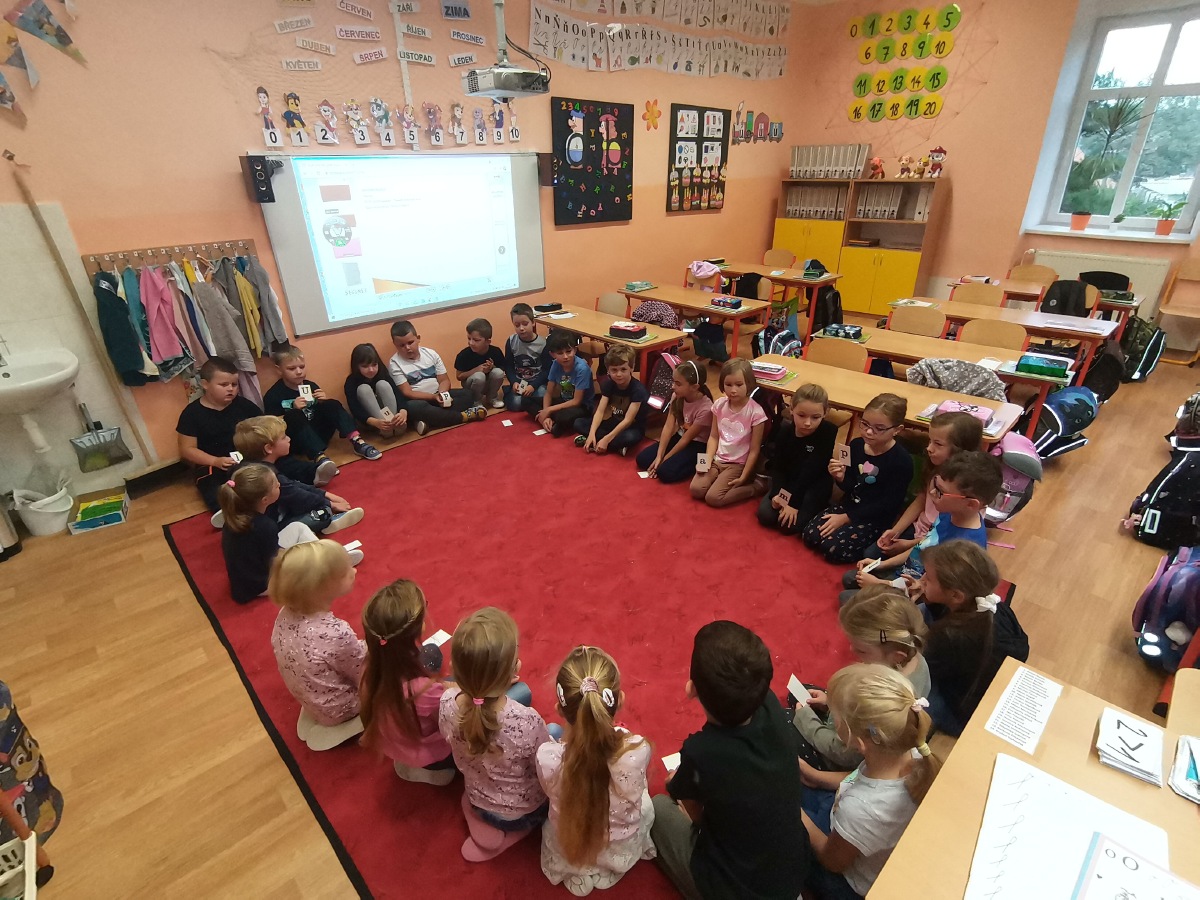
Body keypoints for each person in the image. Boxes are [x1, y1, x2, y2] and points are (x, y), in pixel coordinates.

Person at [651, 621, 811, 900]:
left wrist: (678, 785)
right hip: (792, 871)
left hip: (735, 888)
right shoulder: (770, 704)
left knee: (658, 808)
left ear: (691, 689)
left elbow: (689, 803)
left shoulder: (702, 752)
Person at [799, 664, 942, 899]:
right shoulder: (913, 755)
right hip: (851, 828)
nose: (832, 718)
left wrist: (796, 813)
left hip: (849, 882)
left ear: (858, 742)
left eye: (835, 717)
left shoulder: (860, 809)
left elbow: (831, 861)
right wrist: (817, 777)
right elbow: (861, 778)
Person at [536, 646, 655, 896]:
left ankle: (578, 871)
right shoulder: (636, 750)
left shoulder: (548, 757)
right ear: (620, 700)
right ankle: (610, 868)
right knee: (645, 803)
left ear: (559, 710)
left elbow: (549, 792)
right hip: (619, 844)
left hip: (571, 843)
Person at [438, 608, 551, 862]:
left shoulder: (446, 702)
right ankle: (513, 833)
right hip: (522, 812)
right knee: (555, 732)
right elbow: (544, 766)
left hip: (478, 795)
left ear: (454, 669)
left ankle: (478, 817)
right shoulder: (527, 720)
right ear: (512, 673)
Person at [793, 586, 930, 774]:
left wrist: (807, 721)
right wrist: (830, 703)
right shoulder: (917, 660)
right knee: (800, 695)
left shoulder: (872, 696)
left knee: (784, 719)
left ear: (896, 656)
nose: (851, 651)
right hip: (849, 724)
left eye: (861, 650)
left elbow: (845, 753)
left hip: (840, 756)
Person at [842, 450, 1002, 600]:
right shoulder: (950, 512)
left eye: (940, 492)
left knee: (846, 599)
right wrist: (881, 565)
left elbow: (931, 593)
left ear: (970, 504)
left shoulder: (965, 548)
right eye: (936, 485)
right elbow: (923, 546)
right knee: (850, 578)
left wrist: (881, 584)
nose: (932, 493)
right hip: (907, 575)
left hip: (920, 593)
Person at [918, 540, 1029, 735]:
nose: (922, 579)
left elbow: (924, 669)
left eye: (929, 577)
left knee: (913, 699)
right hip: (985, 687)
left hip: (964, 714)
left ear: (956, 596)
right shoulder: (996, 607)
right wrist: (929, 597)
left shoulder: (947, 636)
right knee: (922, 610)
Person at [269, 540, 367, 751]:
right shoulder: (335, 632)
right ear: (322, 588)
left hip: (310, 698)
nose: (354, 571)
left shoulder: (284, 614)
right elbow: (363, 673)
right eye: (345, 573)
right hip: (340, 707)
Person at [219, 464, 363, 604]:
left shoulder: (236, 515)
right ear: (265, 500)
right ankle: (328, 566)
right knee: (301, 564)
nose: (279, 485)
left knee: (297, 527)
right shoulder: (264, 526)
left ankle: (325, 557)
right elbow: (276, 563)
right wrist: (301, 558)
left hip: (248, 579)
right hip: (262, 584)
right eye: (275, 485)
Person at [359, 580, 456, 785]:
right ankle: (432, 771)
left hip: (396, 740)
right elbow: (452, 718)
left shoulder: (371, 667)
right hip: (429, 754)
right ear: (417, 627)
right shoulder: (423, 692)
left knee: (431, 652)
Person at [802, 393, 913, 563]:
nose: (868, 431)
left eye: (879, 428)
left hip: (875, 517)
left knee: (832, 549)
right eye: (865, 424)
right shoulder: (856, 445)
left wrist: (847, 518)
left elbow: (889, 504)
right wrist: (840, 477)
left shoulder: (901, 461)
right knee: (810, 535)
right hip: (850, 505)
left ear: (897, 430)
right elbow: (851, 486)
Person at [867, 411, 983, 564]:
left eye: (938, 444)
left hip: (935, 543)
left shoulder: (964, 490)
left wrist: (908, 545)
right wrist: (896, 531)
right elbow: (922, 499)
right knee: (871, 553)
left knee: (892, 567)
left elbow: (940, 537)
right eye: (930, 441)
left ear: (961, 449)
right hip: (920, 531)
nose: (929, 448)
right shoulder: (935, 467)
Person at [232, 416, 364, 537]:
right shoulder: (268, 477)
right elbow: (299, 496)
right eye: (283, 437)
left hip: (259, 516)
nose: (289, 439)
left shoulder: (246, 467)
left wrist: (325, 494)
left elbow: (293, 485)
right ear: (268, 448)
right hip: (272, 527)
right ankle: (327, 522)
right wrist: (329, 504)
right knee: (323, 511)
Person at [264, 345, 382, 462]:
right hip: (297, 440)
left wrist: (323, 401)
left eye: (302, 367)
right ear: (279, 370)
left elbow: (325, 410)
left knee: (331, 404)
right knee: (294, 415)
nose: (299, 372)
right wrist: (292, 408)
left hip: (320, 434)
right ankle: (319, 457)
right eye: (291, 369)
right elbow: (272, 428)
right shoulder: (273, 395)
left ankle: (357, 441)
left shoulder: (311, 386)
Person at [176, 356, 262, 512]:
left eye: (234, 384)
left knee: (267, 473)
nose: (230, 389)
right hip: (211, 464)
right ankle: (224, 513)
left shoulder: (244, 405)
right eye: (223, 385)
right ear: (205, 384)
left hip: (245, 458)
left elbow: (264, 426)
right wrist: (215, 461)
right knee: (213, 488)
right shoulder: (191, 414)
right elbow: (187, 449)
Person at [757, 383, 837, 534]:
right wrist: (777, 494)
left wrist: (793, 503)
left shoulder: (828, 431)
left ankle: (819, 505)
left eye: (815, 417)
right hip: (790, 480)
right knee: (766, 515)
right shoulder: (784, 431)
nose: (807, 423)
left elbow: (811, 471)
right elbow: (778, 467)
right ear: (791, 409)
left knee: (787, 526)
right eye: (801, 415)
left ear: (825, 412)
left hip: (813, 484)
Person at [689, 358, 769, 508]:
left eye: (739, 385)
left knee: (713, 498)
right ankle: (719, 478)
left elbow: (754, 450)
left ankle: (756, 487)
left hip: (737, 464)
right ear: (722, 384)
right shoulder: (719, 405)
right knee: (696, 489)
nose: (733, 390)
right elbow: (713, 436)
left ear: (748, 384)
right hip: (717, 459)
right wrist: (705, 461)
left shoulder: (756, 413)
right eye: (728, 385)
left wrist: (744, 475)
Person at [388, 319, 487, 435]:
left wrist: (442, 394)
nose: (407, 348)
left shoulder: (431, 354)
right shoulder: (394, 363)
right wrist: (433, 397)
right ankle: (463, 416)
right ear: (395, 345)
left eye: (410, 342)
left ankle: (429, 419)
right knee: (414, 407)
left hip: (437, 395)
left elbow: (444, 380)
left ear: (418, 338)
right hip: (419, 400)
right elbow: (407, 392)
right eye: (402, 345)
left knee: (467, 395)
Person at [636, 359, 713, 483]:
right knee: (642, 459)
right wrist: (659, 456)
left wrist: (664, 460)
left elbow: (686, 439)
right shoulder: (677, 396)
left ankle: (698, 463)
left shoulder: (706, 408)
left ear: (695, 387)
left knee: (665, 472)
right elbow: (668, 426)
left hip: (697, 445)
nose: (672, 386)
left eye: (678, 384)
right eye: (673, 381)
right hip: (680, 436)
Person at [573, 345, 649, 456]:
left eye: (623, 369)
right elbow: (600, 411)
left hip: (630, 427)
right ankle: (607, 444)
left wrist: (607, 439)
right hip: (612, 422)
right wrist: (592, 433)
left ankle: (599, 442)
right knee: (578, 423)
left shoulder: (638, 390)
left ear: (631, 368)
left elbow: (628, 420)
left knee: (630, 437)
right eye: (614, 370)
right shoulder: (608, 384)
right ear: (608, 370)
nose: (619, 374)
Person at [536, 331, 595, 436]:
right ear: (552, 354)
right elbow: (548, 393)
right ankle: (548, 420)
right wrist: (546, 414)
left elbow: (577, 401)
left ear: (575, 350)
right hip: (564, 401)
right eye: (560, 353)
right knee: (526, 401)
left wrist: (549, 410)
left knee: (562, 417)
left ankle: (549, 419)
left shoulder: (582, 368)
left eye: (568, 351)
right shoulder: (555, 364)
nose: (565, 356)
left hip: (582, 406)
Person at [344, 343, 408, 439]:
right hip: (369, 421)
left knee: (383, 384)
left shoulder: (383, 374)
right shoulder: (351, 381)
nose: (371, 370)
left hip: (389, 414)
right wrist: (375, 422)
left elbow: (398, 394)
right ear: (357, 366)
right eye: (365, 366)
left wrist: (403, 412)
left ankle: (394, 423)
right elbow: (355, 408)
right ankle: (386, 428)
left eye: (374, 365)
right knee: (364, 389)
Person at [504, 302, 552, 414]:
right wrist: (514, 382)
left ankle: (528, 401)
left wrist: (533, 386)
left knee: (541, 396)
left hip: (537, 382)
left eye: (525, 324)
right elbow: (509, 366)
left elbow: (546, 370)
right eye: (517, 325)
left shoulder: (543, 344)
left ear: (533, 322)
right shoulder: (511, 341)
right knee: (516, 404)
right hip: (520, 381)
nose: (521, 328)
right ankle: (511, 393)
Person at [455, 317, 508, 409]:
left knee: (498, 372)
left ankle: (492, 397)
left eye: (476, 340)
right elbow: (459, 376)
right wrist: (476, 370)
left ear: (488, 341)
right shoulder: (464, 355)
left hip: (488, 383)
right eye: (469, 338)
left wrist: (492, 367)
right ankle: (475, 401)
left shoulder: (495, 351)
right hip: (471, 384)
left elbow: (503, 369)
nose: (471, 343)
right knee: (479, 376)